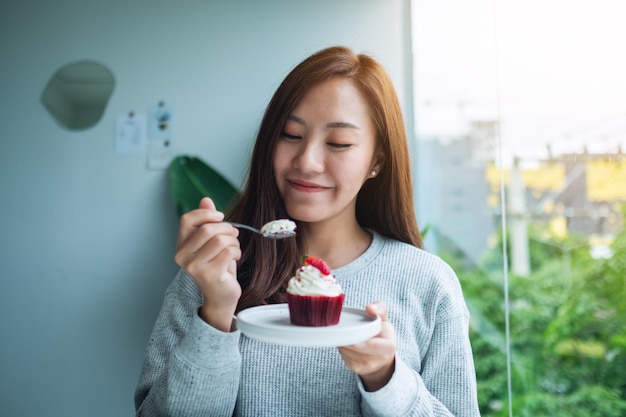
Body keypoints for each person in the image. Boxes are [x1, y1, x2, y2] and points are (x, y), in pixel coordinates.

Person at [135, 45, 480, 416]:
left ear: (376, 161)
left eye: (338, 143)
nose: (307, 161)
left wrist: (385, 377)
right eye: (290, 135)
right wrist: (217, 312)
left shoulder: (427, 282)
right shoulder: (214, 272)